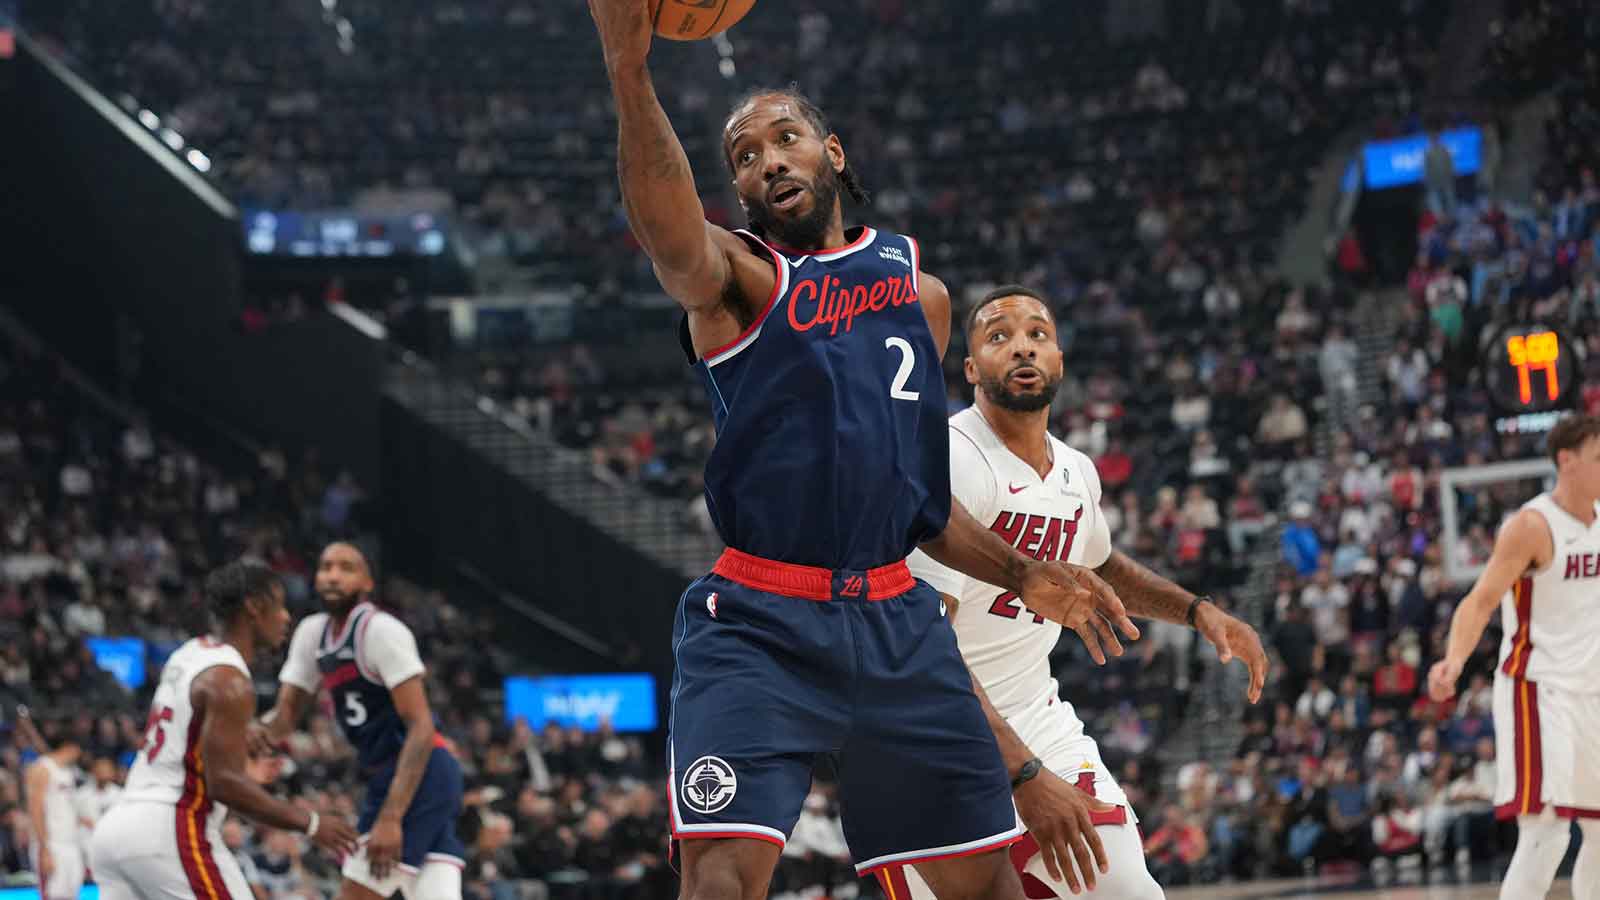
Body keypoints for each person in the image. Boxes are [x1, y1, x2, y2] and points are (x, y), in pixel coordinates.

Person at [585, 3, 1137, 898]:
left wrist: (1017, 572)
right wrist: (628, 71)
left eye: (785, 138)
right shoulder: (738, 279)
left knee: (987, 885)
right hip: (761, 618)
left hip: (893, 615)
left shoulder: (923, 297)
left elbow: (919, 501)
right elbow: (668, 238)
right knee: (722, 878)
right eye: (746, 158)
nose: (768, 160)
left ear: (831, 154)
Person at [895, 287, 1269, 898]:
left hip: (1040, 722)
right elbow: (920, 640)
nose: (1022, 346)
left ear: (1060, 360)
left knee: (1131, 891)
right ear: (969, 369)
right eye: (998, 336)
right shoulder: (951, 459)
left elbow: (1103, 565)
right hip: (941, 733)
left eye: (1037, 335)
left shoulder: (1074, 470)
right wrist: (1022, 773)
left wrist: (1199, 612)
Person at [88, 562, 359, 900]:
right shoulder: (230, 680)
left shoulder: (189, 653)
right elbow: (224, 785)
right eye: (279, 605)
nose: (287, 617)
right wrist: (311, 823)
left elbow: (184, 745)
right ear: (253, 608)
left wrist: (243, 768)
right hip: (169, 827)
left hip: (119, 826)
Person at [1428, 414, 1600, 900]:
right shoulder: (1531, 525)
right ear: (1566, 462)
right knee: (1546, 835)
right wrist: (1454, 661)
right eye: (1598, 459)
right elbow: (1480, 600)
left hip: (1593, 693)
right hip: (1539, 689)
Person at [255, 542, 466, 900]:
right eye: (325, 567)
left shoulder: (381, 630)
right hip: (393, 776)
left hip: (420, 774)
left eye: (346, 567)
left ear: (367, 582)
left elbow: (421, 727)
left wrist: (390, 817)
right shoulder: (312, 633)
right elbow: (284, 718)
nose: (333, 575)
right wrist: (248, 734)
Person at [24, 725, 84, 900]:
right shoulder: (42, 769)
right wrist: (44, 849)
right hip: (52, 845)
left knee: (71, 895)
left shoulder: (68, 771)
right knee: (53, 896)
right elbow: (35, 810)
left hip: (71, 844)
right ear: (70, 747)